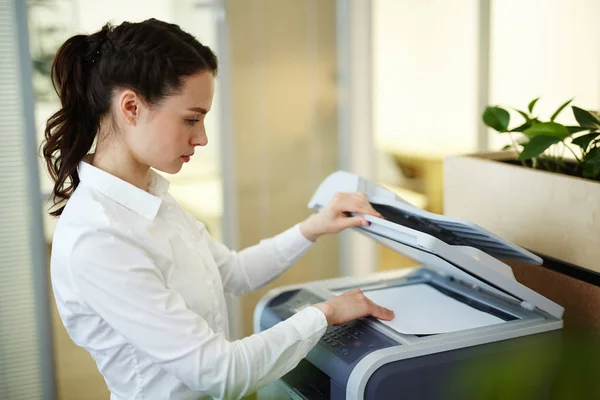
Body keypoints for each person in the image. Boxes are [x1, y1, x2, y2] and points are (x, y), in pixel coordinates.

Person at [43, 18, 395, 400]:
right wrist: (325, 314)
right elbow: (219, 372)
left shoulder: (150, 196)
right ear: (131, 107)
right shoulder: (98, 238)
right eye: (191, 119)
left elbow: (233, 273)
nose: (203, 137)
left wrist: (315, 226)